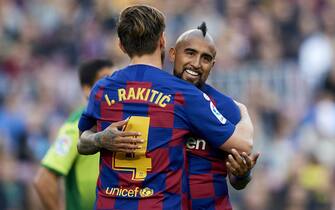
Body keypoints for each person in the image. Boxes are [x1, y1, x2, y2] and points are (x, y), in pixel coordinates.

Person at [77, 5, 253, 210]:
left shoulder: (102, 89)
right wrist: (245, 113)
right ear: (162, 41)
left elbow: (82, 142)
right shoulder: (183, 94)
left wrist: (100, 139)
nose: (196, 64)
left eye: (205, 58)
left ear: (121, 46)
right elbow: (244, 144)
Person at [169, 22, 259, 210]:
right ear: (173, 54)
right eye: (190, 53)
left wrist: (243, 173)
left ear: (212, 65)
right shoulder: (153, 98)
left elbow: (237, 180)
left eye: (206, 58)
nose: (196, 64)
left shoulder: (225, 107)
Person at [33, 59, 114, 210]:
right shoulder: (75, 126)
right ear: (87, 89)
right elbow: (44, 181)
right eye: (104, 79)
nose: (111, 86)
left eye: (114, 79)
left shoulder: (118, 120)